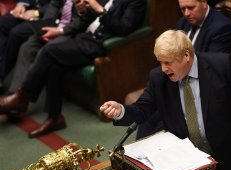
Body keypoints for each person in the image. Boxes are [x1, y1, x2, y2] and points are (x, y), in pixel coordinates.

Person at [100, 30, 231, 170]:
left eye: (168, 62)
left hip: (229, 156)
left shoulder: (223, 66)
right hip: (186, 162)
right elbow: (142, 109)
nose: (164, 68)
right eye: (160, 62)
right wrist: (120, 111)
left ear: (186, 55)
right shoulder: (159, 78)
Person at [0, 0, 146, 138]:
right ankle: (55, 117)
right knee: (54, 65)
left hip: (100, 44)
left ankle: (22, 97)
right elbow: (87, 19)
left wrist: (100, 10)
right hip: (84, 37)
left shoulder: (136, 1)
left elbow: (123, 28)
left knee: (48, 51)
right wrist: (83, 11)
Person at [136, 0, 231, 139]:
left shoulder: (221, 28)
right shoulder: (182, 23)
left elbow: (209, 68)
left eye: (190, 8)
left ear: (204, 2)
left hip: (197, 88)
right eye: (183, 9)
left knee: (160, 121)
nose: (186, 13)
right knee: (147, 117)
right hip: (178, 80)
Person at [6, 0, 92, 94]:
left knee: (45, 51)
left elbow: (84, 20)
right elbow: (54, 4)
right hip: (55, 25)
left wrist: (60, 31)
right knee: (27, 47)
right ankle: (15, 93)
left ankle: (23, 95)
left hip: (72, 33)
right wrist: (46, 27)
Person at [0, 0, 50, 89]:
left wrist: (37, 12)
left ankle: (2, 74)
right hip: (29, 7)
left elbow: (62, 6)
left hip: (48, 17)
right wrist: (21, 4)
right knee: (2, 24)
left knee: (16, 33)